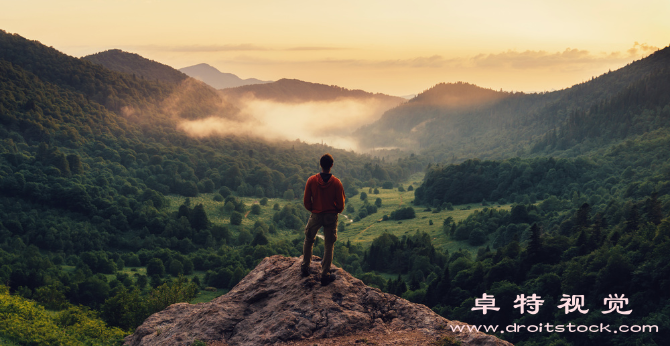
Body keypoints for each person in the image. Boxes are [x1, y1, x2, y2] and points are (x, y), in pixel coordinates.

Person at [301, 153, 346, 285]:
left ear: (320, 165)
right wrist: (335, 210)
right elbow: (341, 204)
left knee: (309, 239)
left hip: (316, 214)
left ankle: (305, 268)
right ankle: (325, 274)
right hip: (331, 216)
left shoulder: (311, 180)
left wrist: (314, 210)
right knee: (329, 244)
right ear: (331, 165)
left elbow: (306, 201)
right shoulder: (337, 183)